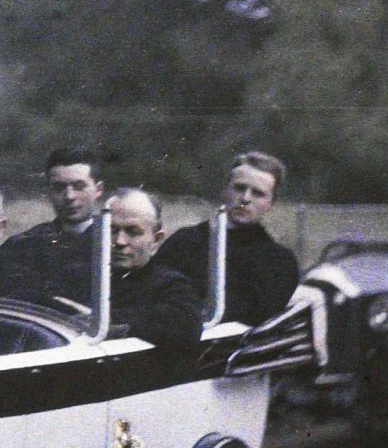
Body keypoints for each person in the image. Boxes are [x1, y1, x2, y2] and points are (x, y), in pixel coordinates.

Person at [154, 150, 301, 326]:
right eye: (239, 188)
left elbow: (257, 317)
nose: (245, 198)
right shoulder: (184, 241)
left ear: (271, 203)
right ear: (225, 190)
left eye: (258, 193)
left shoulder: (279, 261)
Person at [104, 187, 209, 351]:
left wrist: (111, 319)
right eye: (112, 230)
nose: (120, 241)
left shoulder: (170, 285)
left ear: (156, 239)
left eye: (133, 232)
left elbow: (187, 328)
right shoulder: (83, 272)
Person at [4, 148, 107, 295]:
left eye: (79, 187)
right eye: (59, 188)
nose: (69, 196)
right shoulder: (23, 246)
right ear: (49, 191)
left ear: (98, 189)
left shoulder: (114, 243)